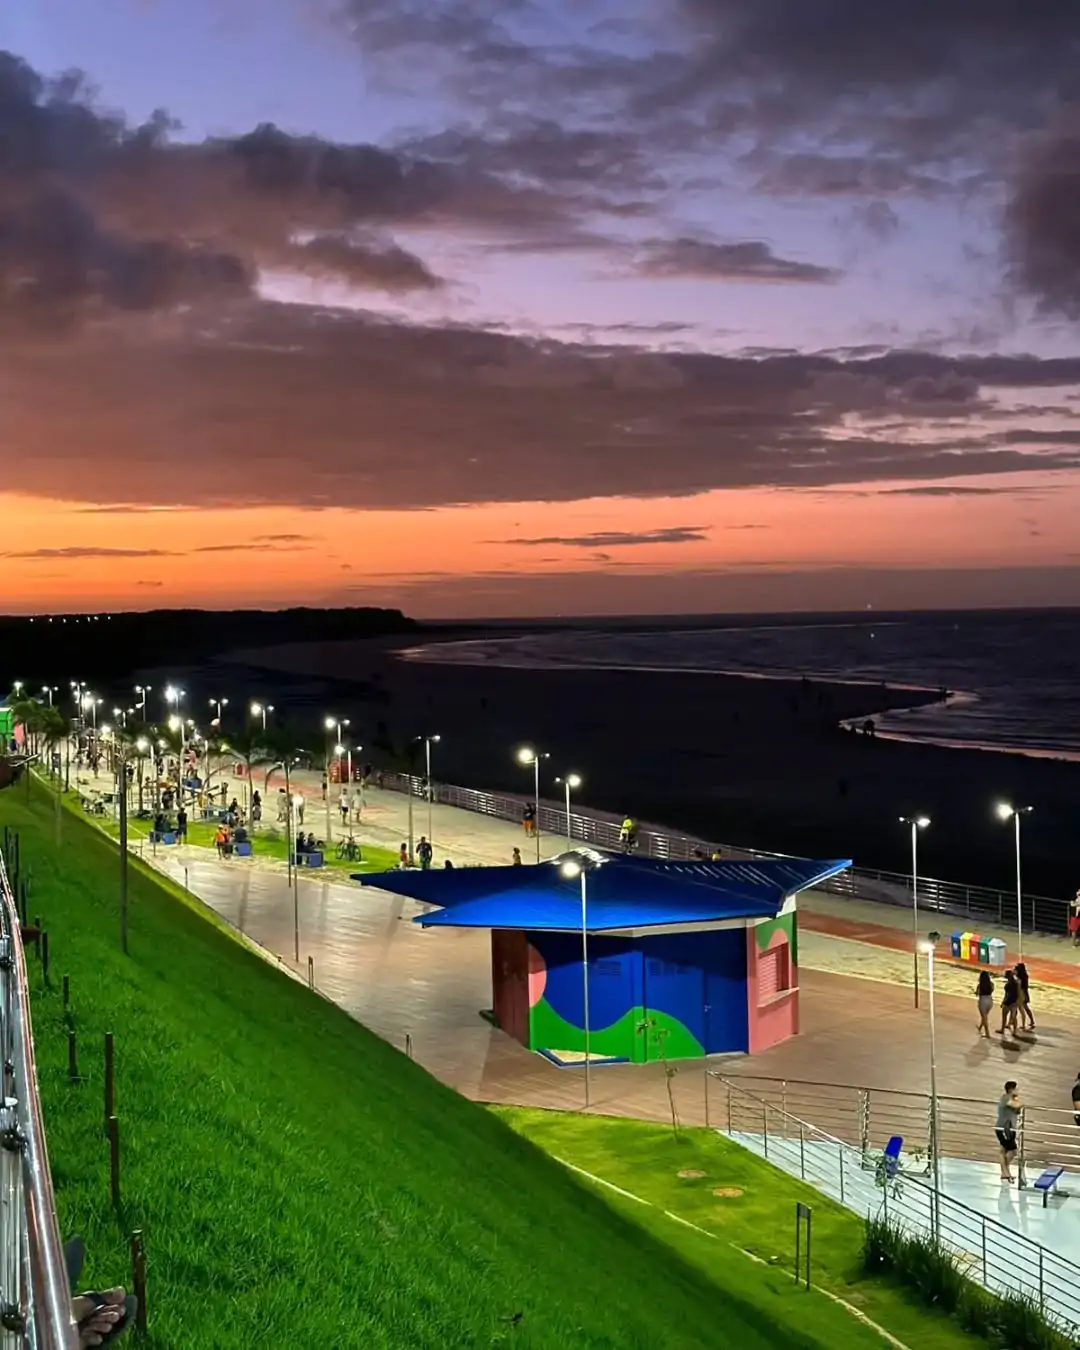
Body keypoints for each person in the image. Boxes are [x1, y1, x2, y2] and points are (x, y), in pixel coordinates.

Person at [996, 1081, 1021, 1182]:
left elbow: (1017, 1111)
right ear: (1011, 1090)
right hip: (1004, 1129)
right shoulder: (1005, 1098)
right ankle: (1006, 1171)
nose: (1018, 1090)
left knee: (1003, 1150)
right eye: (1016, 1088)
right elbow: (1017, 1105)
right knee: (1012, 1151)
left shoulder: (1011, 1099)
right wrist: (1018, 1101)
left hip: (1010, 1129)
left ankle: (1005, 1173)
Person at [998, 969, 1019, 1036]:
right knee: (1012, 1017)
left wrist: (1003, 1002)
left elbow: (1007, 994)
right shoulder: (1014, 983)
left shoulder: (1011, 984)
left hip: (1011, 1002)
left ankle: (1003, 1029)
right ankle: (1013, 1031)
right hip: (1011, 1002)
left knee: (1008, 1016)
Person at [1015, 962, 1035, 1029]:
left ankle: (1028, 1022)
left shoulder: (1020, 978)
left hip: (1021, 993)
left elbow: (1019, 987)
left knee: (1021, 1008)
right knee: (1025, 1008)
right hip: (1025, 993)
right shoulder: (1025, 976)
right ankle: (1032, 1020)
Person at [975, 969, 994, 1038]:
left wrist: (976, 992)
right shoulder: (991, 984)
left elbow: (977, 994)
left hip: (982, 1000)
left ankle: (987, 1033)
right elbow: (992, 990)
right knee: (985, 1016)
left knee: (984, 1017)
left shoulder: (980, 985)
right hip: (990, 1000)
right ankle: (980, 1027)